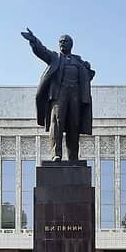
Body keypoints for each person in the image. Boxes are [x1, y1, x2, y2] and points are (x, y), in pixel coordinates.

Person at [21, 28, 95, 161]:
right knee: (57, 122)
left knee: (74, 124)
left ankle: (73, 157)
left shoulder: (78, 62)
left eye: (65, 41)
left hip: (75, 96)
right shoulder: (55, 58)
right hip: (59, 95)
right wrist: (33, 40)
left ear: (70, 44)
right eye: (60, 41)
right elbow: (42, 51)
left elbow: (88, 76)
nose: (62, 43)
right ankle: (56, 154)